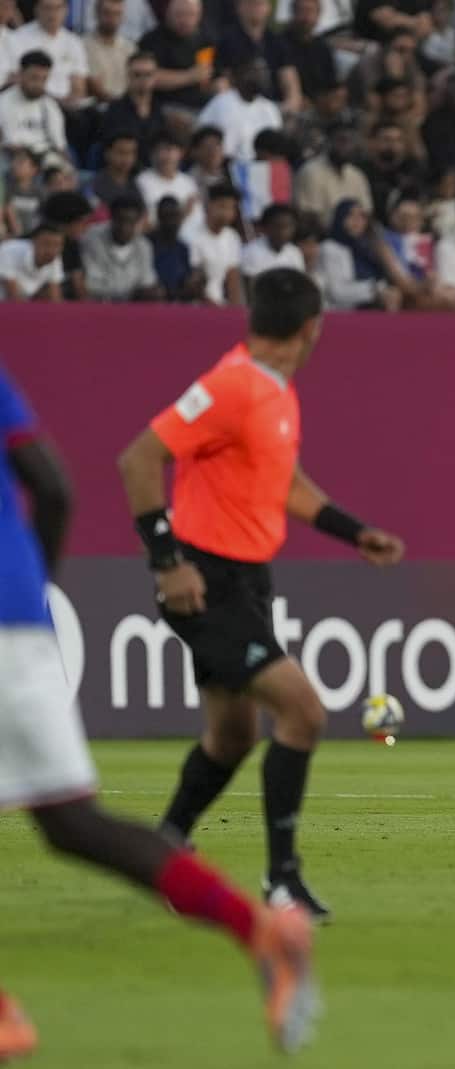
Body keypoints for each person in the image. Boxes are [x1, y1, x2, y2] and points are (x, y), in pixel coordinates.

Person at [0, 365, 319, 1061]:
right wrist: (32, 590)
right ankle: (261, 927)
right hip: (18, 617)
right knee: (70, 821)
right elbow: (50, 485)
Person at [115, 267, 406, 922]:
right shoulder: (232, 384)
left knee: (231, 734)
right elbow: (137, 459)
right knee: (303, 712)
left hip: (245, 577)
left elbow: (287, 484)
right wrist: (167, 563)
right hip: (204, 580)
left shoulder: (272, 390)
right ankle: (283, 880)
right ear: (312, 327)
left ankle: (163, 853)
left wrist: (353, 531)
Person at [82, 193, 161, 300]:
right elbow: (90, 285)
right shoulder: (92, 239)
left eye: (130, 222)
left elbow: (146, 282)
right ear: (111, 218)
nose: (124, 227)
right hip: (100, 307)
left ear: (138, 222)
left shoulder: (144, 246)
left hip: (133, 310)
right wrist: (130, 294)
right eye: (120, 220)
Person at [0, 51, 69, 159]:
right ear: (20, 74)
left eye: (44, 79)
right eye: (34, 78)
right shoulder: (4, 102)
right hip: (16, 159)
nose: (39, 85)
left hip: (46, 159)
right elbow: (12, 145)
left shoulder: (49, 104)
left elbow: (60, 146)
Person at [186, 183, 244, 306]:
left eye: (231, 208)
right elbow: (194, 280)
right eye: (222, 206)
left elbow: (232, 277)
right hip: (195, 305)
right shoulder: (191, 235)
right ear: (208, 206)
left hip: (221, 305)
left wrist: (235, 310)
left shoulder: (232, 237)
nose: (227, 212)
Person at [241, 202, 306, 281]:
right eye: (277, 226)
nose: (283, 232)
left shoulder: (294, 252)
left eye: (287, 226)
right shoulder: (250, 252)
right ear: (265, 227)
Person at [0, 222, 65, 300]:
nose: (51, 250)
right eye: (47, 244)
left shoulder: (55, 259)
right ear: (33, 241)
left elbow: (55, 297)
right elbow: (13, 297)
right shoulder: (8, 250)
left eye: (57, 245)